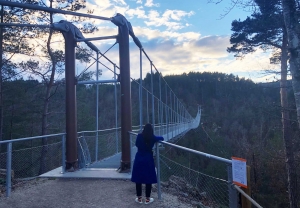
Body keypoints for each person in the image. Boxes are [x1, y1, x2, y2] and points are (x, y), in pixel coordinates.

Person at [131, 123, 164, 205]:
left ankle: (139, 198)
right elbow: (162, 138)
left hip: (139, 158)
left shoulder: (139, 136)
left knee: (138, 178)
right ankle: (147, 199)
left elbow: (136, 144)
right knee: (148, 179)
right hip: (148, 159)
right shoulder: (152, 137)